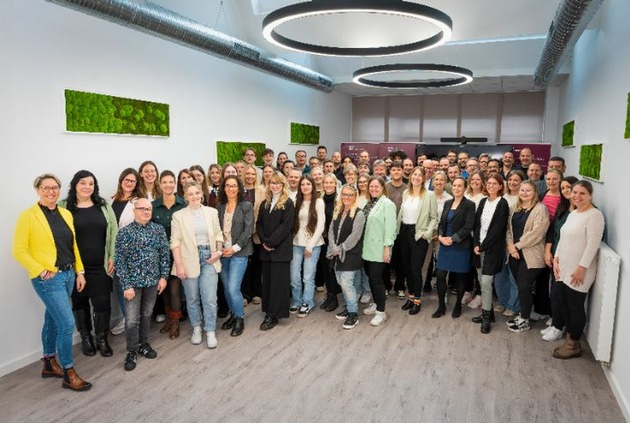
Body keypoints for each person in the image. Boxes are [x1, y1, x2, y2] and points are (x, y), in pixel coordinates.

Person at [13, 173, 92, 391]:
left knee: (52, 319)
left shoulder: (65, 213)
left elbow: (73, 246)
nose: (51, 191)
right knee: (67, 323)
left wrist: (80, 271)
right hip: (48, 279)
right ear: (37, 190)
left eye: (55, 187)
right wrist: (40, 270)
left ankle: (48, 362)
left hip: (68, 275)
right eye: (46, 188)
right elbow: (19, 250)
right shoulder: (28, 216)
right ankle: (68, 372)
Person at [59, 170, 117, 357]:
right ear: (75, 185)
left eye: (91, 183)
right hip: (75, 267)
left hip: (100, 265)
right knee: (79, 302)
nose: (87, 187)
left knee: (102, 303)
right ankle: (86, 337)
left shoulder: (103, 205)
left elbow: (114, 231)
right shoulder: (64, 206)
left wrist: (113, 256)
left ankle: (102, 338)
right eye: (83, 183)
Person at [115, 198, 170, 371]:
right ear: (134, 211)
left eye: (149, 209)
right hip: (132, 284)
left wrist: (164, 277)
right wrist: (126, 285)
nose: (146, 212)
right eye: (142, 209)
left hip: (152, 282)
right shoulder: (125, 233)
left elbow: (164, 255)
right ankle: (132, 351)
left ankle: (144, 344)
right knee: (132, 319)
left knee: (146, 315)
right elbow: (120, 261)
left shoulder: (158, 230)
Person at [552, 180, 605, 359]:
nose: (577, 196)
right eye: (575, 192)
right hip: (564, 267)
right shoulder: (573, 213)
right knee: (564, 303)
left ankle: (574, 344)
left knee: (575, 307)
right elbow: (562, 238)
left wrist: (581, 268)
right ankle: (569, 339)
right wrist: (556, 259)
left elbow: (592, 245)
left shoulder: (594, 215)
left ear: (590, 195)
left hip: (580, 270)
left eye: (582, 193)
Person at [171, 183, 223, 348]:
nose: (194, 196)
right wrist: (179, 266)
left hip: (209, 257)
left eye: (196, 193)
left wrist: (218, 251)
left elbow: (218, 234)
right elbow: (175, 242)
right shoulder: (178, 216)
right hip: (188, 259)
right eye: (190, 194)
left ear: (201, 194)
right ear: (186, 197)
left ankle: (210, 330)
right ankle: (196, 328)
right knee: (192, 298)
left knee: (210, 298)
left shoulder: (211, 212)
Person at [505, 181, 550, 333]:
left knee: (524, 287)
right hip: (514, 254)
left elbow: (537, 233)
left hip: (532, 255)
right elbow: (508, 229)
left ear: (535, 192)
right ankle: (522, 314)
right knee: (520, 286)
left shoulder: (540, 209)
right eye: (522, 190)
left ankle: (525, 320)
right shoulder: (514, 208)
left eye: (528, 190)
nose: (524, 193)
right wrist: (511, 246)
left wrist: (517, 246)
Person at [471, 174, 510, 333]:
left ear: (500, 186)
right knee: (481, 280)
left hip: (492, 250)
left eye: (495, 183)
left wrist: (483, 247)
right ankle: (489, 313)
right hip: (478, 247)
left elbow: (498, 230)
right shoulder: (482, 201)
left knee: (486, 282)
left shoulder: (502, 203)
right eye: (489, 183)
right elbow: (476, 225)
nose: (491, 186)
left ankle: (486, 318)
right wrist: (476, 244)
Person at [542, 176, 579, 342]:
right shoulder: (562, 207)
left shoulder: (581, 212)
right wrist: (548, 251)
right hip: (555, 257)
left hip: (570, 260)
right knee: (555, 292)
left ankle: (559, 326)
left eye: (569, 187)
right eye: (563, 188)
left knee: (562, 295)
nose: (566, 190)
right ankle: (556, 323)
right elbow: (552, 231)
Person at [432, 177, 475, 319]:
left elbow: (468, 226)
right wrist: (440, 237)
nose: (456, 188)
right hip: (445, 245)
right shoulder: (447, 203)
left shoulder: (469, 205)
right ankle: (441, 306)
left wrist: (453, 238)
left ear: (465, 188)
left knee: (460, 277)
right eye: (454, 185)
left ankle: (458, 305)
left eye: (459, 186)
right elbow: (441, 223)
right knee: (440, 275)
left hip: (460, 245)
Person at [397, 167, 438, 315]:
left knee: (416, 270)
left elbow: (434, 218)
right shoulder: (406, 193)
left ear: (424, 178)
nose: (416, 177)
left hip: (418, 235)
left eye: (420, 175)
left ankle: (417, 301)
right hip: (404, 232)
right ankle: (411, 296)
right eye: (414, 174)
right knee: (407, 269)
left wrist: (426, 234)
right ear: (410, 176)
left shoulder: (429, 195)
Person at [257, 173, 295, 330]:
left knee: (278, 284)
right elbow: (259, 224)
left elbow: (286, 227)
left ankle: (274, 315)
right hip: (266, 250)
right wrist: (265, 242)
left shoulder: (288, 203)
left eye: (278, 183)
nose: (275, 186)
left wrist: (271, 242)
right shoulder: (265, 203)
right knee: (267, 283)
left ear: (283, 185)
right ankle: (268, 310)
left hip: (281, 250)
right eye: (272, 183)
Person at [217, 176, 254, 337]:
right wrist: (221, 249)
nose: (230, 189)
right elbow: (216, 230)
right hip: (223, 253)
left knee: (233, 288)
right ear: (223, 188)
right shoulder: (220, 207)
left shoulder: (246, 206)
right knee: (226, 288)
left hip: (239, 252)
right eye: (227, 185)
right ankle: (233, 314)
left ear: (239, 188)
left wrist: (234, 248)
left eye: (233, 186)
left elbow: (248, 230)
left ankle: (240, 318)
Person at [151, 170, 186, 339]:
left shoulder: (183, 204)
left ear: (175, 183)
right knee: (163, 289)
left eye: (171, 182)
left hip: (178, 253)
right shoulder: (153, 206)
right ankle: (168, 320)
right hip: (159, 255)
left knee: (174, 289)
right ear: (160, 184)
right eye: (164, 182)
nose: (168, 185)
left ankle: (175, 322)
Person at [362, 176, 397, 326]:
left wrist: (387, 248)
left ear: (383, 188)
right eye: (371, 186)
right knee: (371, 278)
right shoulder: (369, 203)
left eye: (377, 186)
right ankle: (376, 304)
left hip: (379, 248)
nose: (373, 188)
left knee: (376, 279)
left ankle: (381, 312)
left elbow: (391, 228)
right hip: (366, 248)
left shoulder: (387, 204)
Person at [109, 168, 141, 336]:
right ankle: (127, 319)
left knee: (129, 288)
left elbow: (141, 227)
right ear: (121, 180)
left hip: (131, 252)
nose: (129, 183)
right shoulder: (110, 201)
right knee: (119, 287)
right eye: (126, 180)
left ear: (136, 184)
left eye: (132, 181)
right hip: (113, 251)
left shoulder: (137, 202)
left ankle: (133, 322)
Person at [290, 175, 325, 317]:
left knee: (308, 277)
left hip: (313, 244)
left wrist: (310, 245)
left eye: (308, 184)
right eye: (303, 184)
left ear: (312, 186)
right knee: (294, 276)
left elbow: (321, 225)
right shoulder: (296, 201)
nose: (305, 186)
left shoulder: (318, 202)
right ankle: (296, 300)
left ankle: (307, 302)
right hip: (296, 243)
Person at [317, 173, 341, 310]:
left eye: (331, 182)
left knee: (332, 269)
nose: (328, 185)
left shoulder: (340, 200)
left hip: (336, 239)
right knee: (325, 268)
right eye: (326, 182)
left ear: (335, 184)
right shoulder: (319, 199)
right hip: (322, 239)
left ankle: (335, 297)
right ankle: (330, 294)